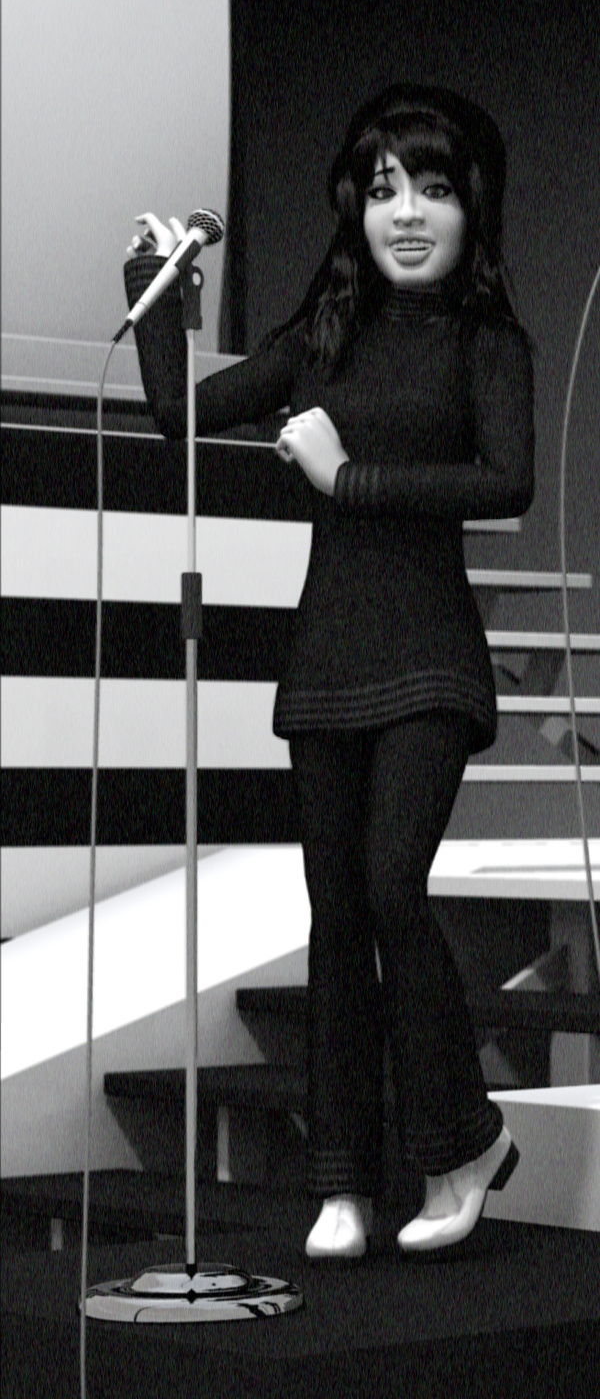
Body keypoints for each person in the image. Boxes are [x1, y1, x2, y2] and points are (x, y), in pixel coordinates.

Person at [124, 83, 534, 1258]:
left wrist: (344, 476)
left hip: (432, 655)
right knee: (335, 910)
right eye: (386, 188)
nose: (408, 213)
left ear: (472, 206)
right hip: (329, 657)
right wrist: (155, 290)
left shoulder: (488, 341)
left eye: (435, 189)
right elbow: (179, 413)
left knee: (393, 884)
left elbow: (506, 481)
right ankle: (344, 1180)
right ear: (356, 202)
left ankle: (463, 1141)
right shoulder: (324, 333)